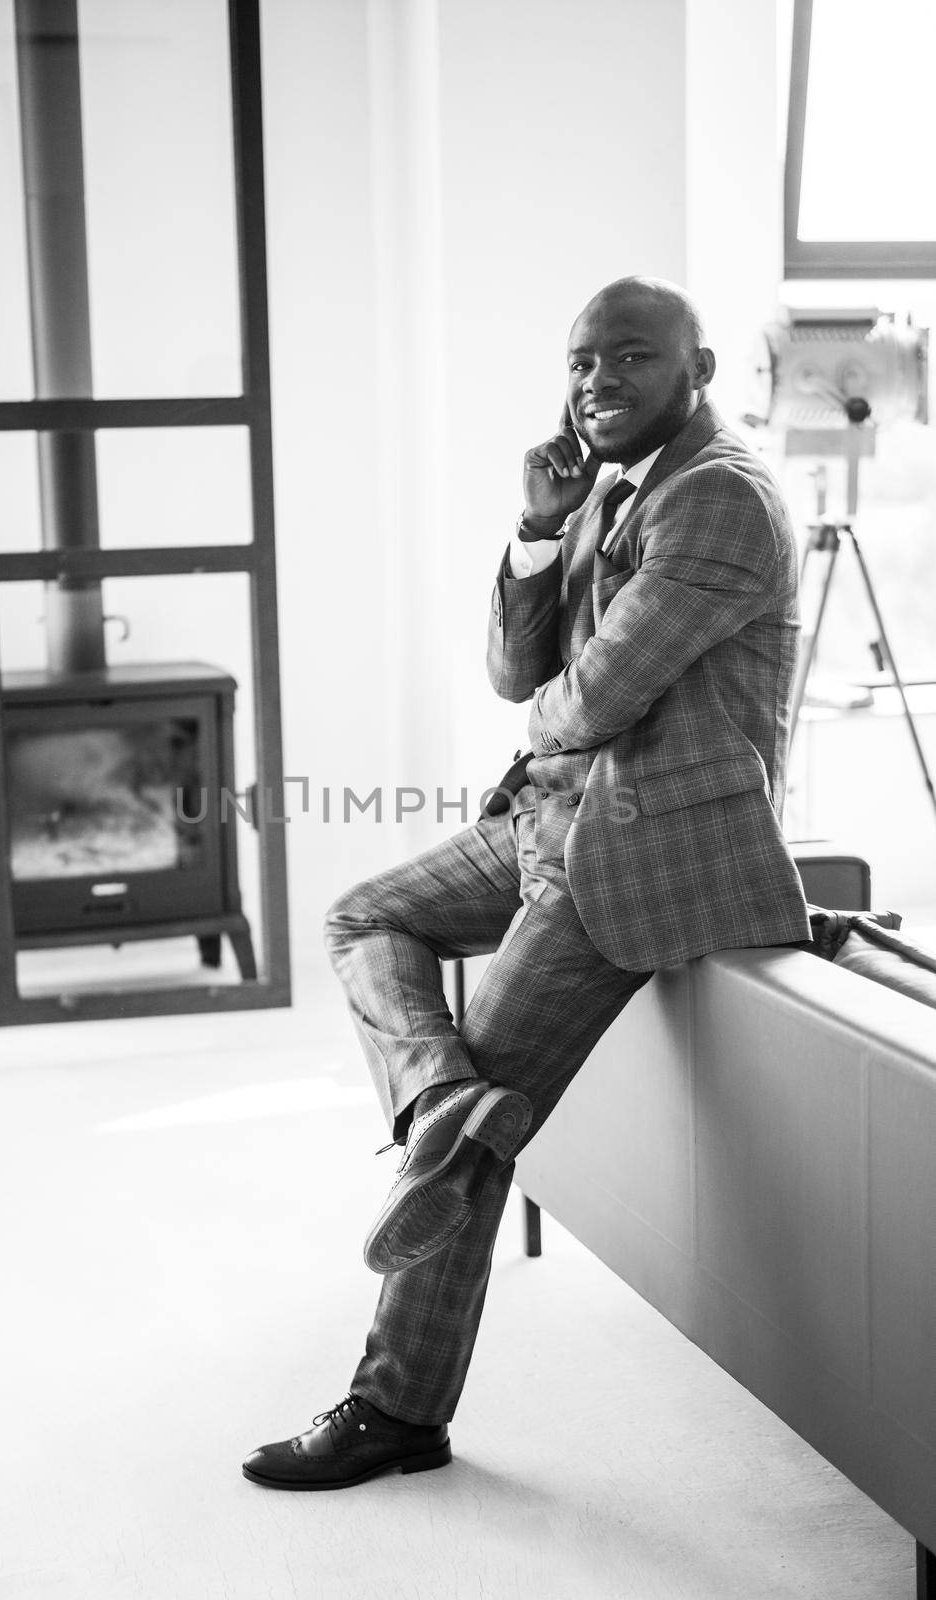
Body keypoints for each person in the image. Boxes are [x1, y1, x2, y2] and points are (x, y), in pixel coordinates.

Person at [242, 275, 811, 1490]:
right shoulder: (619, 486)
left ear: (697, 369)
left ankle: (395, 1408)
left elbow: (595, 694)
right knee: (364, 913)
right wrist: (537, 529)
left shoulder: (720, 501)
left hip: (641, 848)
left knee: (465, 1153)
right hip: (556, 818)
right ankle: (441, 1098)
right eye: (580, 361)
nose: (595, 381)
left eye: (629, 359)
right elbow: (516, 673)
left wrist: (561, 726)